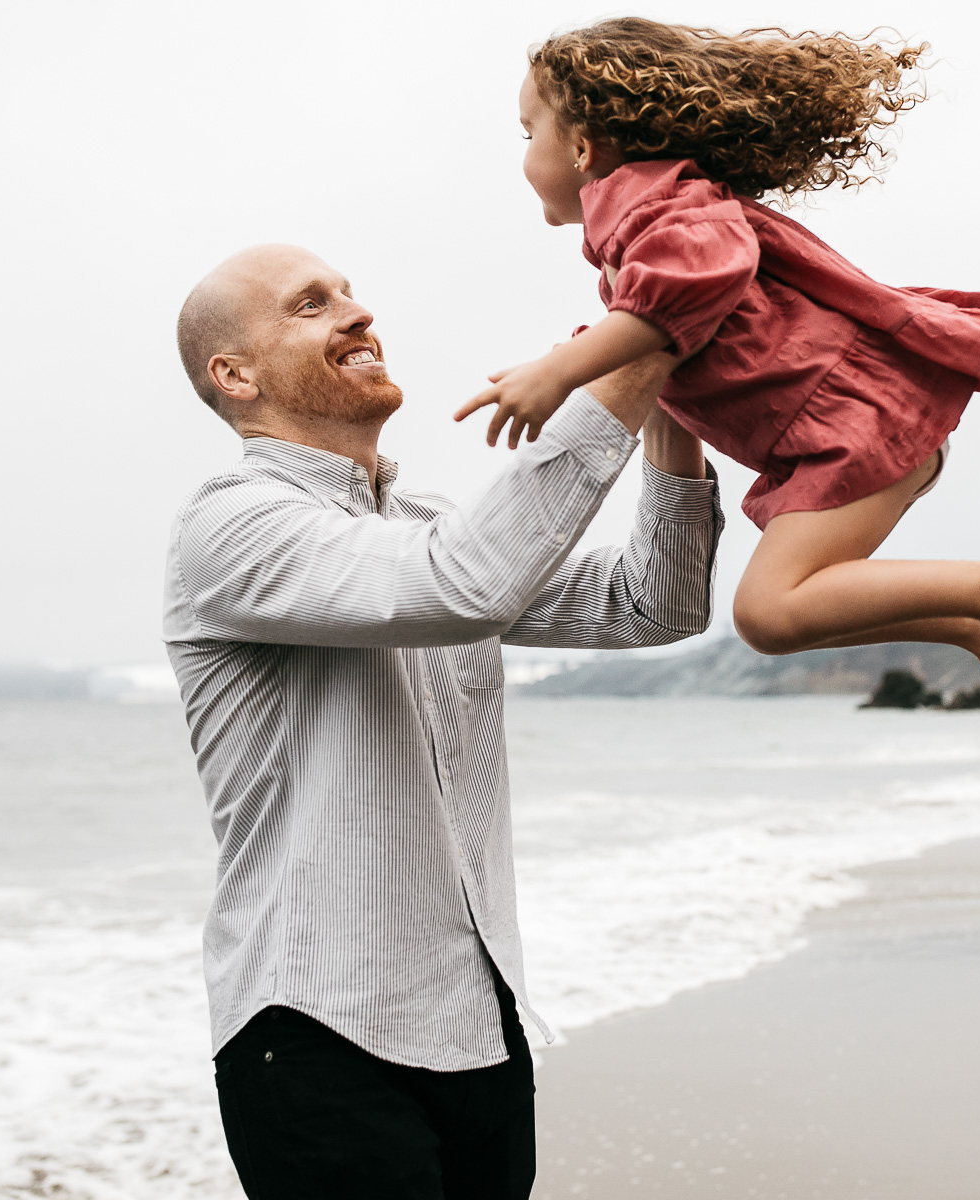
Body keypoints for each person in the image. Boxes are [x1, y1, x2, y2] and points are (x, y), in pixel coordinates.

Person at [164, 243, 724, 1198]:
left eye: (348, 293)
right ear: (235, 374)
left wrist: (669, 398)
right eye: (309, 305)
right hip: (313, 1032)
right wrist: (635, 350)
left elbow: (652, 603)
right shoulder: (232, 524)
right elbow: (465, 584)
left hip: (480, 1024)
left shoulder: (424, 520)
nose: (356, 313)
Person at [454, 18, 980, 731]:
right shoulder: (641, 237)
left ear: (584, 146)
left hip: (851, 425)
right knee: (786, 616)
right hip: (838, 433)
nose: (525, 154)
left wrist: (560, 370)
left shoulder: (660, 207)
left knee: (766, 611)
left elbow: (700, 275)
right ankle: (969, 620)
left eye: (527, 133)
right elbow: (664, 355)